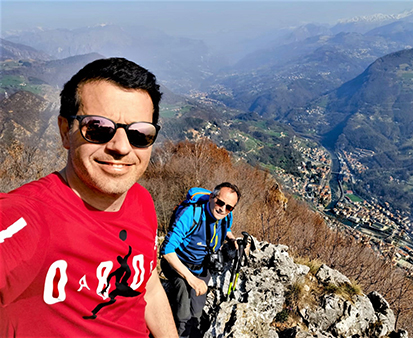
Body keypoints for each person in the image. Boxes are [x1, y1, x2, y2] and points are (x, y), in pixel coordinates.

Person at [0, 57, 177, 337]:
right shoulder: (31, 217)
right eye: (98, 128)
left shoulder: (142, 201)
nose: (120, 147)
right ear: (65, 132)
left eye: (139, 134)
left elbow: (148, 287)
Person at [160, 182, 241, 338]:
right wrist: (191, 279)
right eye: (220, 202)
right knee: (183, 313)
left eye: (229, 207)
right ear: (211, 197)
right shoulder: (191, 214)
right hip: (178, 264)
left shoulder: (225, 216)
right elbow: (167, 250)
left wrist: (231, 239)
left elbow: (227, 228)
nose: (222, 209)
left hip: (201, 267)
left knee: (196, 315)